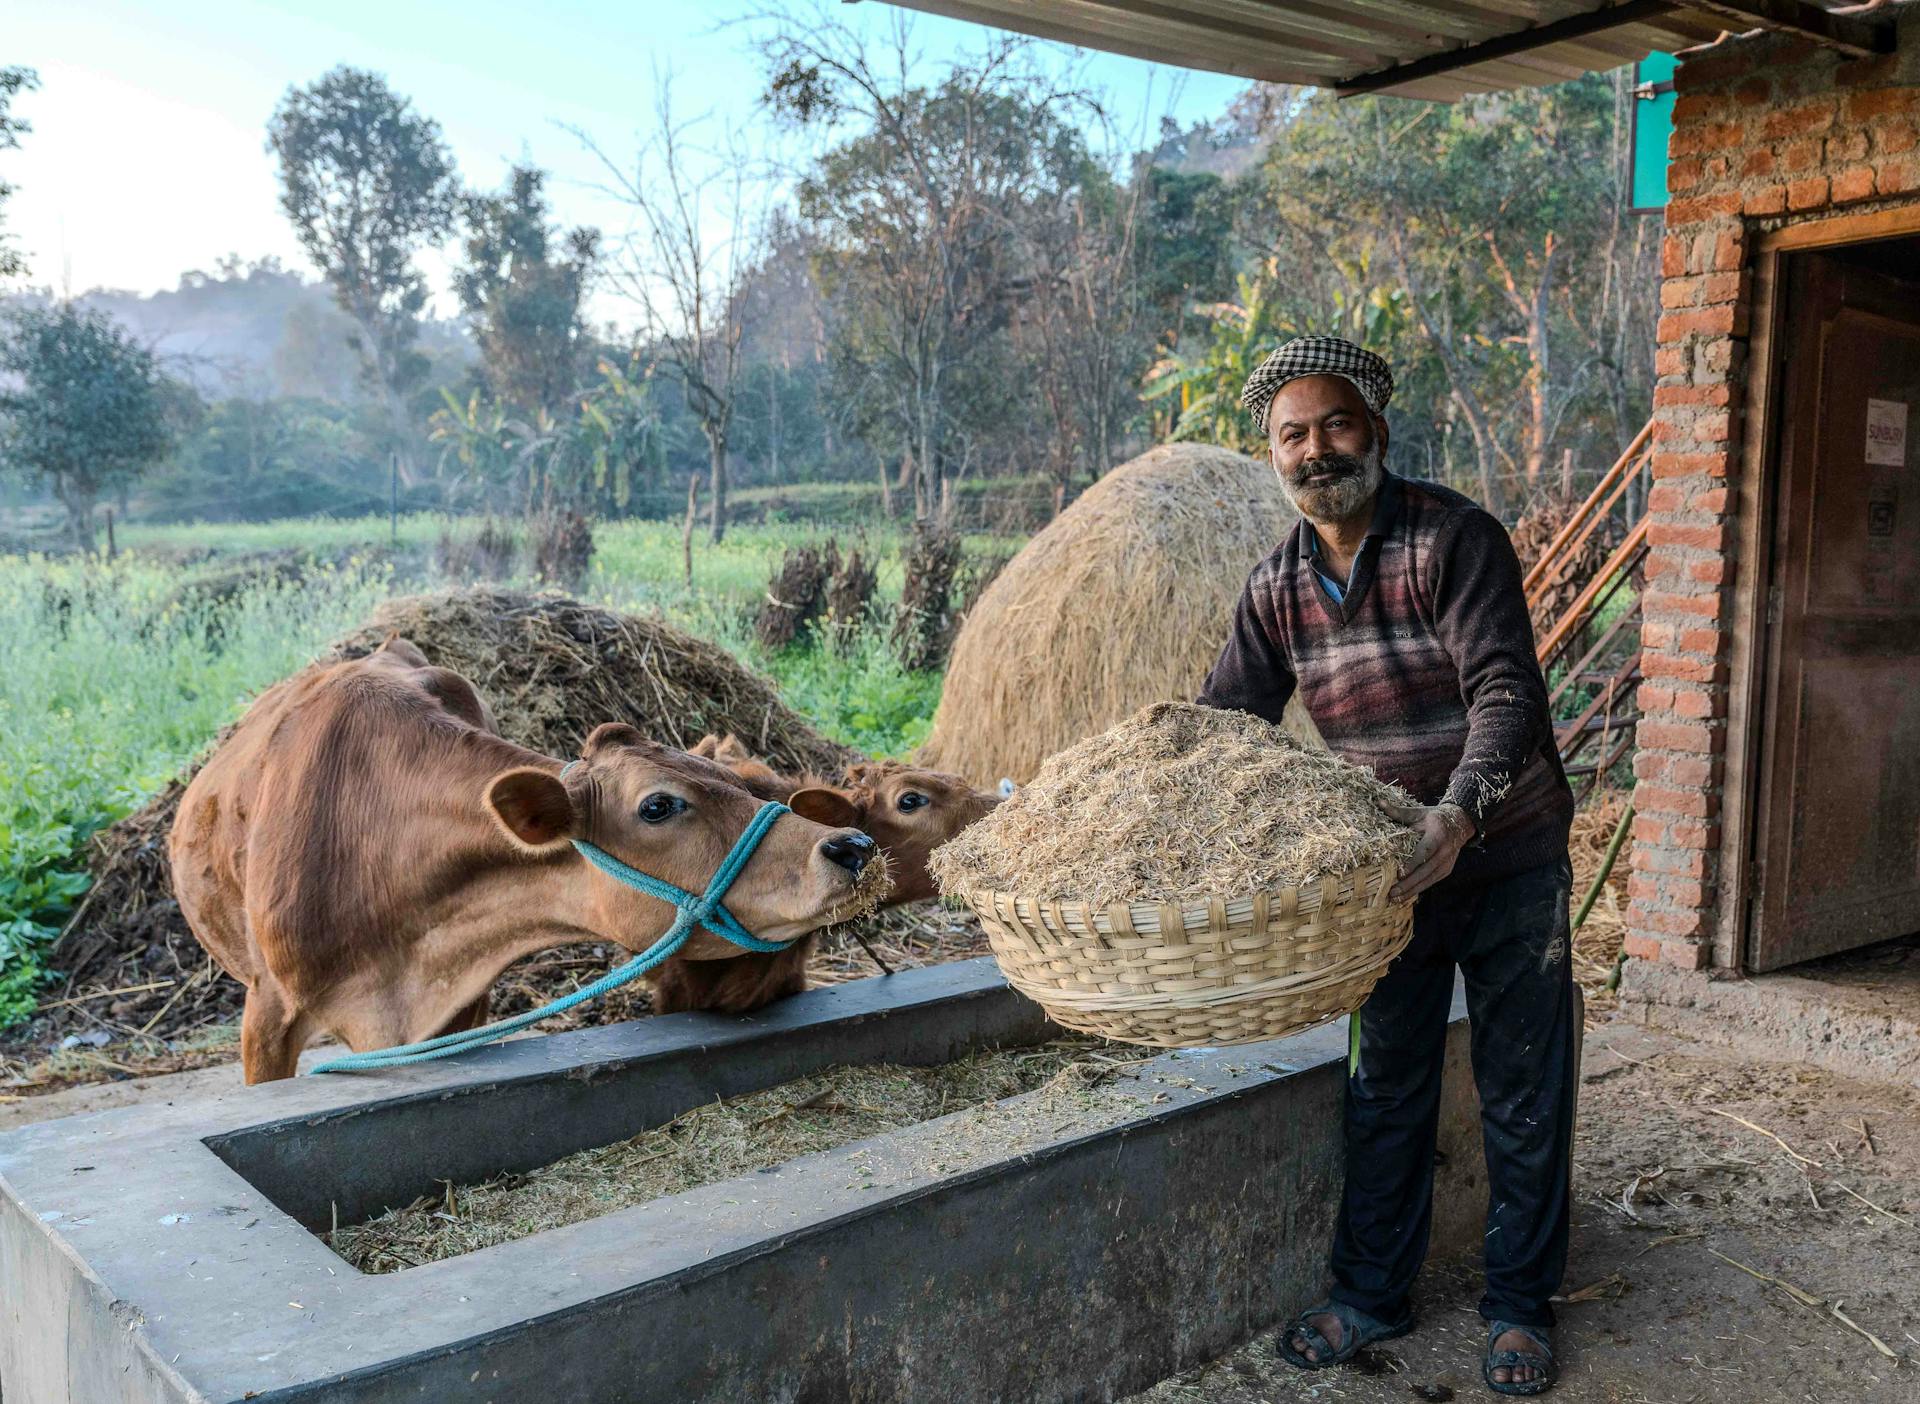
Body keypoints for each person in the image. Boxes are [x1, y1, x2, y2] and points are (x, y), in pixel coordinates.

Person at [1198, 335, 1576, 1397]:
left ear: (1377, 429)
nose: (1316, 451)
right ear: (1271, 452)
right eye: (1292, 435)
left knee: (1522, 1089)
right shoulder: (1275, 586)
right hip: (1387, 884)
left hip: (1508, 856)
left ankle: (1516, 1306)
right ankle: (1371, 1293)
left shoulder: (1451, 540)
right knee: (1382, 1086)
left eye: (1336, 425)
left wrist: (1456, 817)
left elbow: (1509, 698)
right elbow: (1225, 721)